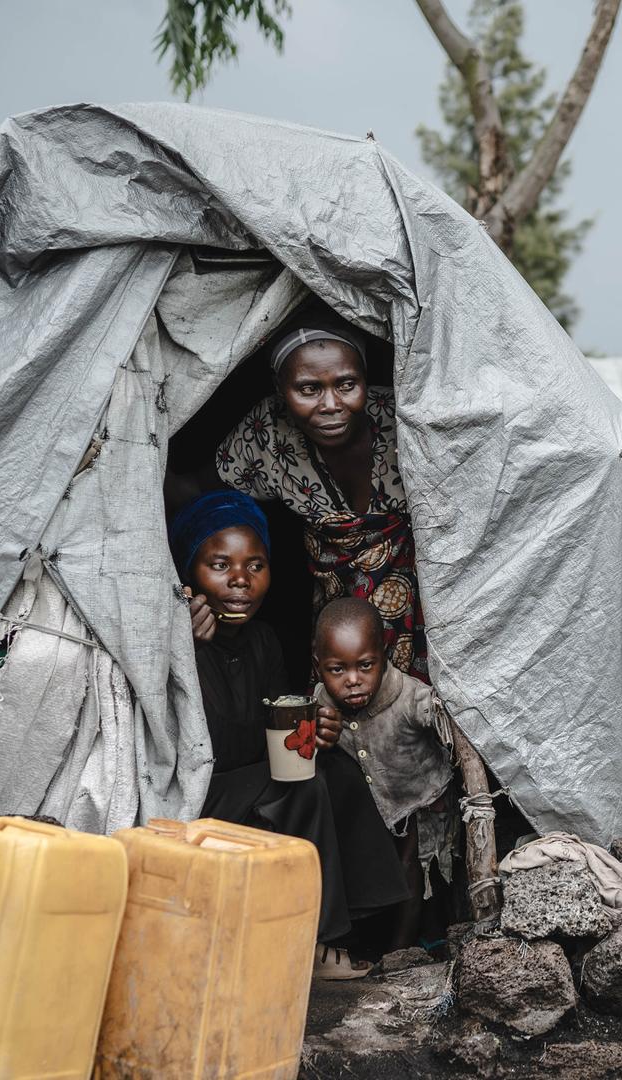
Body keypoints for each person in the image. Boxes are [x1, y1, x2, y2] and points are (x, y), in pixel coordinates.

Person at [170, 490, 410, 980]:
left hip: (252, 780)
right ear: (189, 573)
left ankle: (365, 922)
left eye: (255, 565)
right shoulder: (173, 637)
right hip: (198, 795)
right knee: (301, 783)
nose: (240, 580)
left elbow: (278, 724)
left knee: (334, 766)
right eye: (220, 564)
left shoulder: (264, 641)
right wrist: (176, 639)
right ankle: (313, 942)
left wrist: (317, 731)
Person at [217, 325, 427, 678]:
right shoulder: (267, 432)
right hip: (338, 628)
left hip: (429, 612)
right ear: (281, 390)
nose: (331, 405)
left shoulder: (408, 420)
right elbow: (204, 494)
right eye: (308, 389)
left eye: (347, 385)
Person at [308, 597, 459, 908]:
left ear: (383, 655)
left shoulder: (410, 697)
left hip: (421, 800)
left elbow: (448, 723)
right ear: (317, 666)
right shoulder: (320, 703)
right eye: (337, 669)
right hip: (374, 809)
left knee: (415, 867)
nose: (352, 680)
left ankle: (405, 949)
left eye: (365, 665)